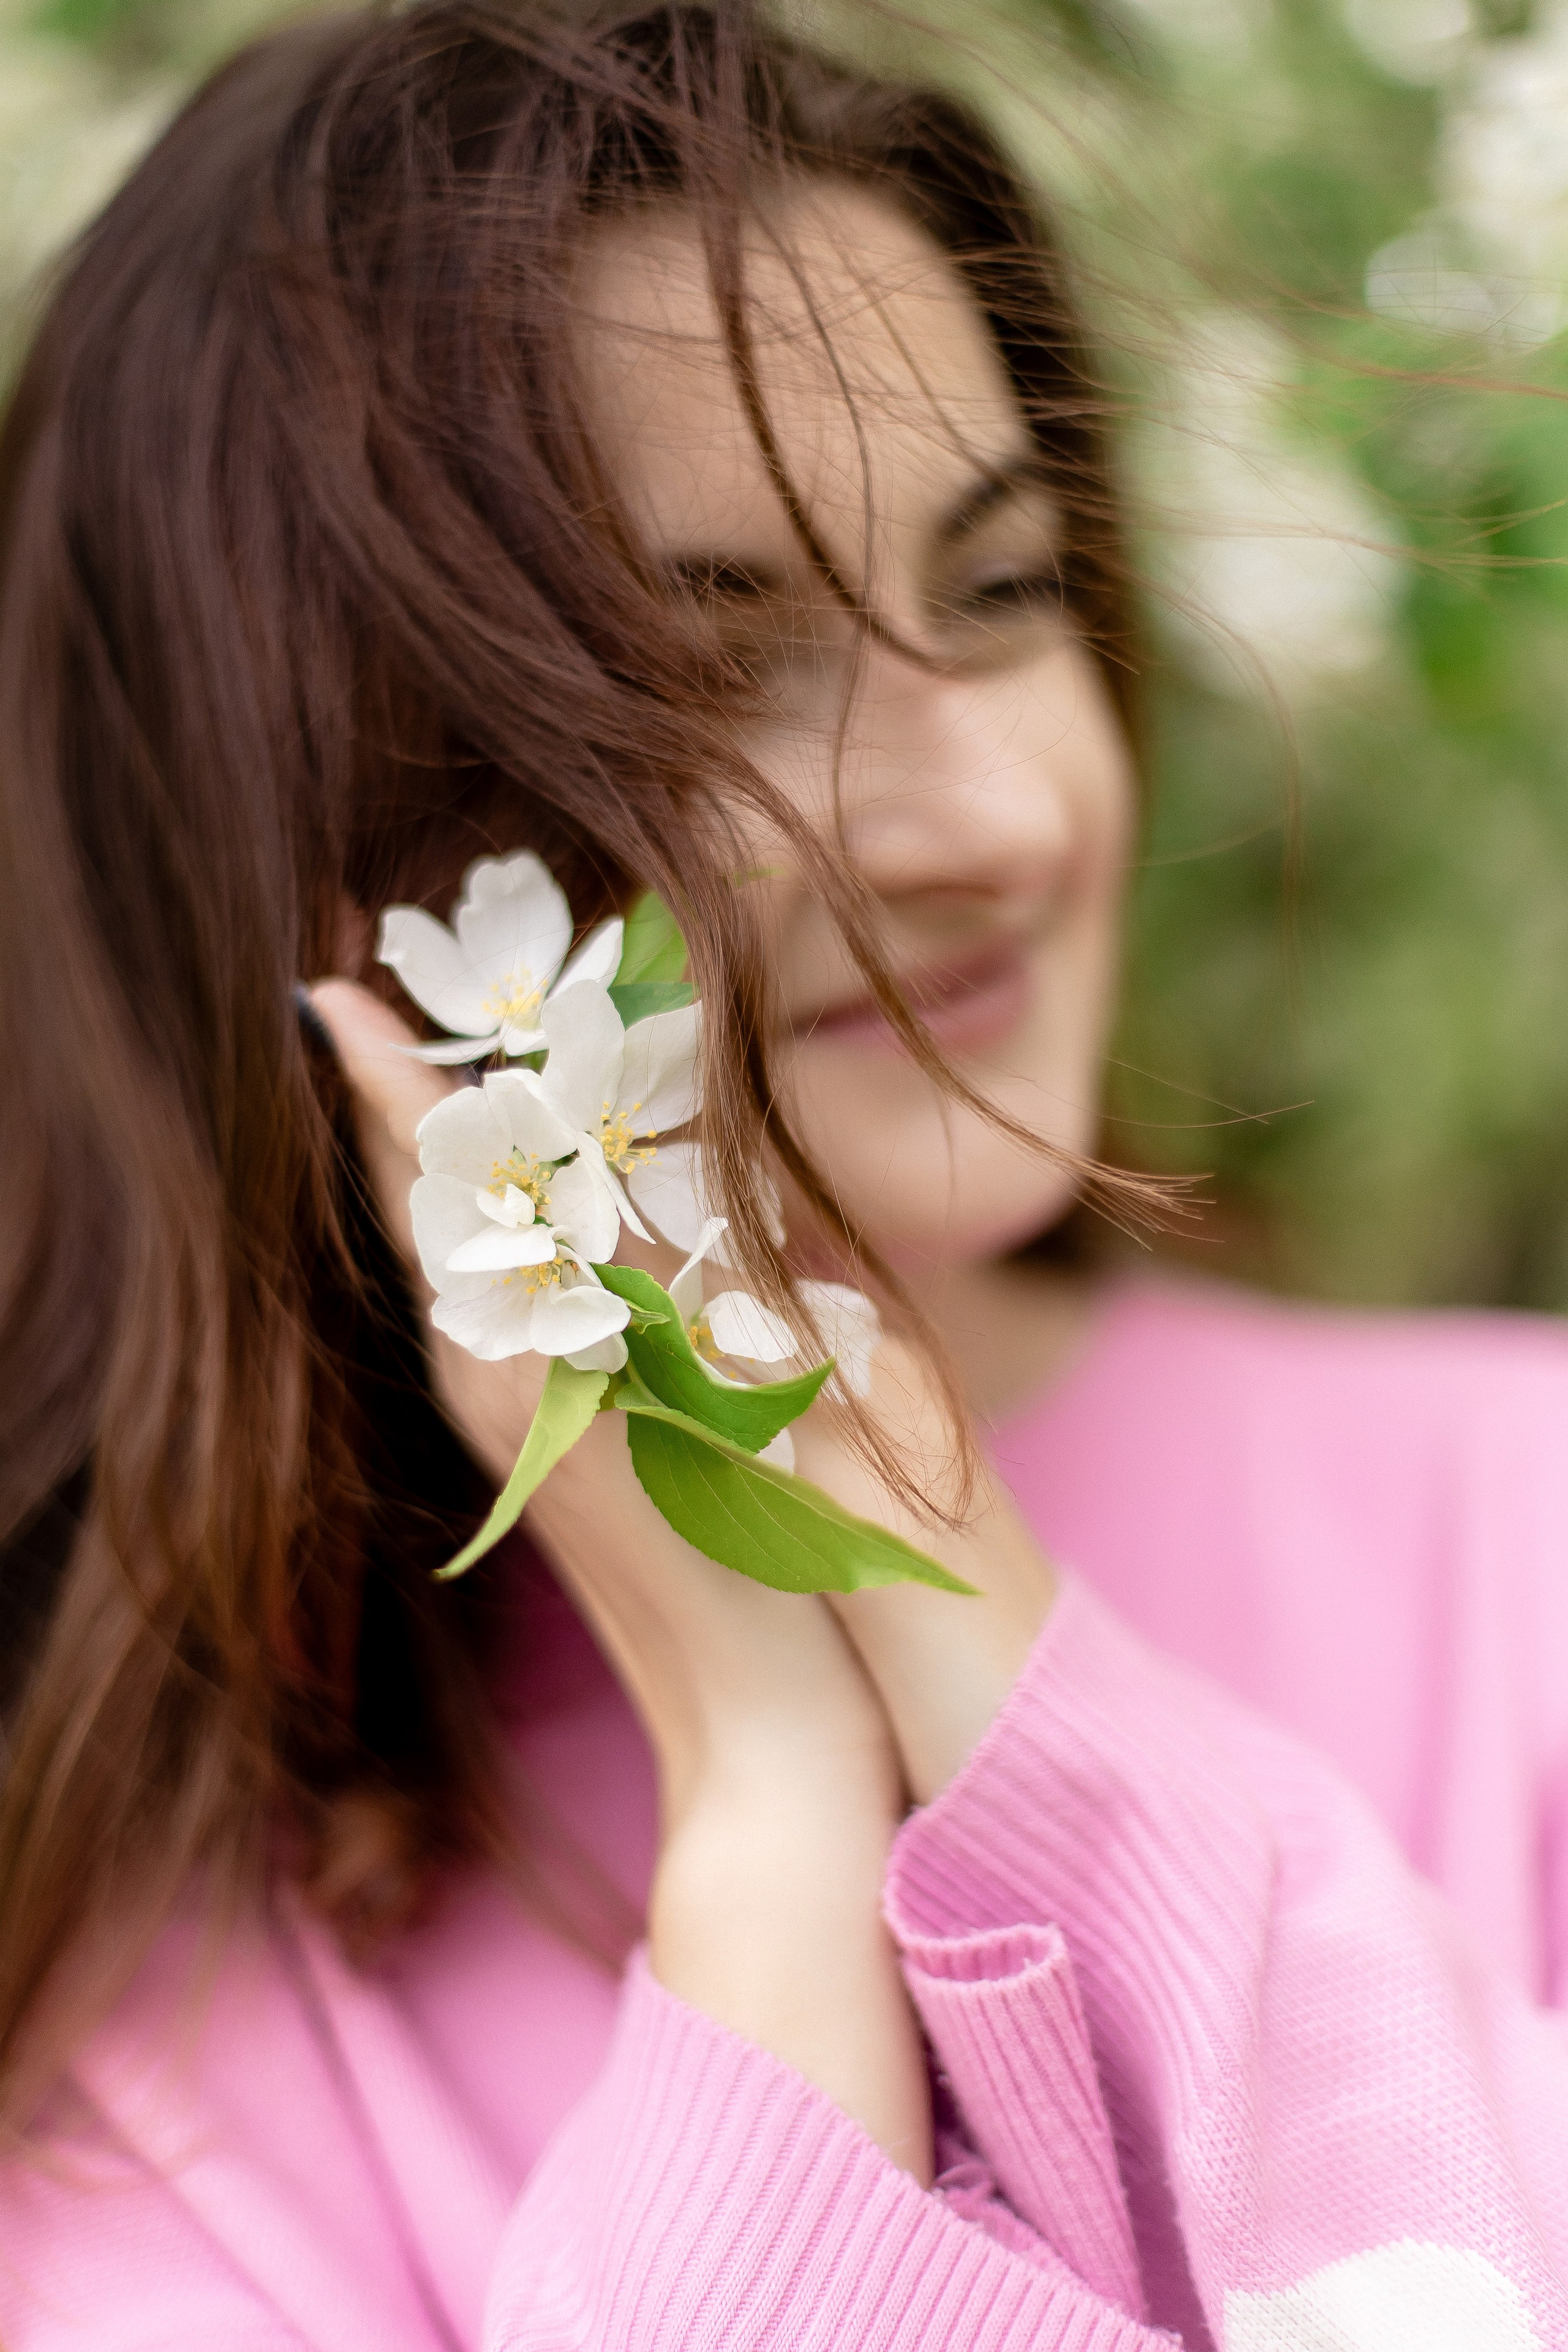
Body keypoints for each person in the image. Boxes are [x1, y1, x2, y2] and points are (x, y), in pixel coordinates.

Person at [1, 3, 1564, 2345]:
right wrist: (762, 1831)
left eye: (1006, 585)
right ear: (306, 850)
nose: (999, 819)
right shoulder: (132, 2025)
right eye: (703, 674)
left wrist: (980, 1633)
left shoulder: (1520, 1527)